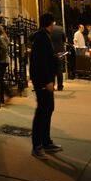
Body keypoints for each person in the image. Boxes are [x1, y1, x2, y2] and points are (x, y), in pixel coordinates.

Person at [29, 13, 62, 160]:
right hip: (43, 82)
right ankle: (37, 145)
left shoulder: (43, 37)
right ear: (50, 23)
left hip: (46, 81)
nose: (54, 26)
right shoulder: (41, 38)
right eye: (53, 23)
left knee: (48, 109)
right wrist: (47, 81)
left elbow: (46, 58)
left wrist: (55, 58)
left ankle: (46, 141)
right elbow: (40, 62)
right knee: (42, 111)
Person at [50, 22, 66, 90]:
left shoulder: (49, 29)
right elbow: (64, 39)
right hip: (60, 51)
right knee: (60, 69)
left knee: (52, 69)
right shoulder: (60, 29)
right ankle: (60, 86)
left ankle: (52, 85)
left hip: (51, 51)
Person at [0, 24, 11, 102]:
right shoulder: (3, 36)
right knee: (0, 78)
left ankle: (6, 92)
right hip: (4, 60)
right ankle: (2, 96)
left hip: (3, 61)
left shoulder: (1, 38)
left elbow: (4, 49)